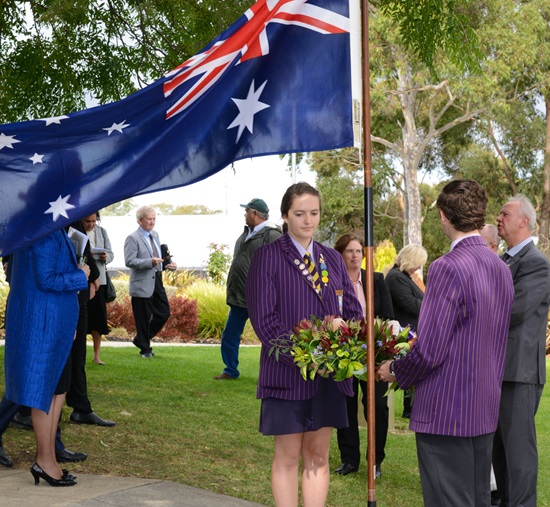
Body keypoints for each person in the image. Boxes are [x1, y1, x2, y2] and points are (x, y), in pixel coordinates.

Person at [378, 179, 514, 506]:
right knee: (477, 499)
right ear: (481, 216)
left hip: (446, 410)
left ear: (442, 215)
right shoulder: (501, 268)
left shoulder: (446, 268)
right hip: (483, 408)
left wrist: (395, 368)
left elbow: (430, 349)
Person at [246, 182, 363, 507]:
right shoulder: (267, 257)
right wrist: (307, 352)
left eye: (313, 213)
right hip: (288, 375)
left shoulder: (332, 259)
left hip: (328, 377)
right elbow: (265, 322)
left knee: (319, 456)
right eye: (300, 213)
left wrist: (346, 340)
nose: (308, 220)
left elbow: (352, 311)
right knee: (287, 456)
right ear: (285, 215)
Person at [4, 229, 89, 486]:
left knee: (58, 391)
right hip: (44, 324)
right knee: (45, 394)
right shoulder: (42, 234)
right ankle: (44, 461)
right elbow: (46, 279)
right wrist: (80, 275)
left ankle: (48, 458)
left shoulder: (41, 231)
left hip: (54, 323)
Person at [491, 195, 550, 507]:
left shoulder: (537, 264)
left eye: (505, 213)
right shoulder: (504, 260)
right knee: (498, 449)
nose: (498, 218)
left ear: (523, 221)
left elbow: (513, 311)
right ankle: (505, 499)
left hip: (520, 372)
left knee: (518, 451)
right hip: (498, 370)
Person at [332, 232, 394, 479]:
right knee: (346, 405)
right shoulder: (333, 283)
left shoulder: (376, 280)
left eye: (359, 251)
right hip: (344, 352)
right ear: (341, 254)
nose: (355, 256)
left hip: (373, 352)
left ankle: (375, 461)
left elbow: (388, 316)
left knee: (377, 406)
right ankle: (349, 460)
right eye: (350, 251)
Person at [214, 198, 281, 380]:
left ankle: (276, 373)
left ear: (255, 214)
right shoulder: (245, 234)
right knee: (230, 335)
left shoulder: (272, 236)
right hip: (240, 298)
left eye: (247, 211)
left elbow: (280, 267)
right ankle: (230, 370)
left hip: (261, 299)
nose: (245, 214)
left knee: (270, 338)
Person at [66, 218, 115, 427]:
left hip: (79, 284)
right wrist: (92, 274)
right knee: (64, 350)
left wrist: (92, 273)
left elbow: (80, 241)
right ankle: (22, 409)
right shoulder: (62, 210)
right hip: (69, 284)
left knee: (77, 351)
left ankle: (80, 406)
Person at [124, 205, 177, 358]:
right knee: (142, 317)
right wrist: (150, 262)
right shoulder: (132, 238)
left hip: (157, 280)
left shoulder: (155, 234)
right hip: (142, 282)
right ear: (139, 220)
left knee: (164, 313)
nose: (152, 222)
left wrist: (169, 264)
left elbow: (159, 257)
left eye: (154, 219)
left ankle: (140, 339)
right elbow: (129, 261)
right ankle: (145, 349)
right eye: (149, 219)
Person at [384, 244, 427, 418]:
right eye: (417, 263)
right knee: (410, 368)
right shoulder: (396, 278)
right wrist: (430, 305)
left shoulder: (403, 277)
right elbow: (408, 303)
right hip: (405, 331)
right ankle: (409, 409)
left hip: (411, 329)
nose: (418, 267)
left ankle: (411, 407)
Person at [83, 211, 114, 365]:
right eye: (88, 221)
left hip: (100, 281)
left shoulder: (102, 232)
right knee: (81, 318)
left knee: (98, 319)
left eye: (94, 221)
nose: (91, 224)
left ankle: (97, 356)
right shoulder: (75, 232)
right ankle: (79, 353)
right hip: (81, 280)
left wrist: (105, 257)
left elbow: (111, 254)